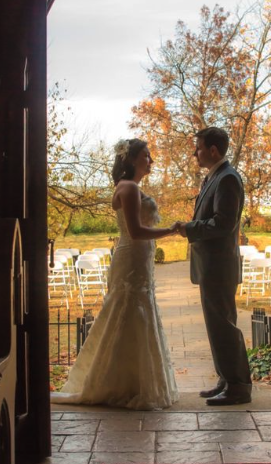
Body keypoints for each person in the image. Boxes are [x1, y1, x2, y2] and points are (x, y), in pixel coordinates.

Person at [51, 138, 179, 410]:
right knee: (129, 308)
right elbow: (136, 231)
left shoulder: (127, 186)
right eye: (146, 155)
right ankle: (124, 382)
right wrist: (172, 230)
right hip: (132, 255)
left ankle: (128, 379)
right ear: (131, 159)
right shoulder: (130, 187)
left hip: (136, 256)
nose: (150, 161)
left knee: (135, 309)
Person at [178, 127, 252, 406]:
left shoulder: (228, 179)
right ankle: (226, 378)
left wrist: (190, 228)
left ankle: (239, 387)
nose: (194, 153)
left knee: (224, 325)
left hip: (219, 267)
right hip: (210, 265)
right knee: (216, 325)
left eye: (197, 148)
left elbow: (224, 223)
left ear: (212, 150)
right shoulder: (214, 177)